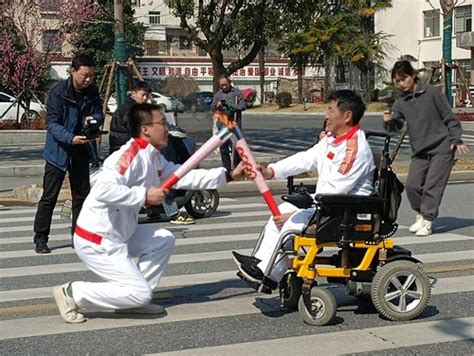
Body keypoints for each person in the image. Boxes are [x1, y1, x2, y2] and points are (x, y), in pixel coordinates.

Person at [52, 103, 246, 324]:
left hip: (120, 234)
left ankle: (133, 301)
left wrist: (228, 176)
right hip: (97, 239)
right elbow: (102, 189)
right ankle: (73, 293)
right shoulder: (128, 156)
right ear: (145, 129)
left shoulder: (153, 156)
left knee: (163, 239)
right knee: (141, 292)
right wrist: (144, 195)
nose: (167, 127)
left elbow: (182, 176)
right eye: (162, 123)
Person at [232, 90, 375, 291]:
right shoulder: (332, 140)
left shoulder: (355, 150)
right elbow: (305, 159)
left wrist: (301, 212)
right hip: (329, 205)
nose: (326, 115)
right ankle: (265, 272)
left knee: (289, 222)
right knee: (282, 212)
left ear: (347, 115)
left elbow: (337, 191)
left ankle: (266, 272)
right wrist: (271, 171)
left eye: (330, 109)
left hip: (346, 211)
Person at [383, 60, 469, 236]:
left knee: (432, 186)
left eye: (403, 79)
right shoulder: (400, 102)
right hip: (420, 151)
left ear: (412, 75)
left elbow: (449, 117)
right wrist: (389, 121)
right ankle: (421, 213)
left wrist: (456, 138)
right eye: (397, 81)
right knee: (412, 186)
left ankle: (428, 219)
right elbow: (396, 127)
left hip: (442, 147)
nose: (401, 83)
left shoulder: (431, 93)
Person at [33, 54, 103, 254]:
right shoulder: (58, 92)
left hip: (82, 149)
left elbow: (98, 111)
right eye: (84, 75)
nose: (88, 79)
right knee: (49, 196)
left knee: (81, 196)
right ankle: (40, 238)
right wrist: (70, 137)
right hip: (58, 151)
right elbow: (52, 124)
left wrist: (94, 120)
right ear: (73, 71)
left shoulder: (92, 91)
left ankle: (79, 238)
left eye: (91, 76)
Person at [210, 75, 246, 171]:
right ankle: (227, 169)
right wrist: (217, 106)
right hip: (223, 126)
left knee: (236, 149)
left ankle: (237, 169)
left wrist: (232, 107)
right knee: (223, 149)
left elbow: (243, 106)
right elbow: (212, 108)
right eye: (222, 85)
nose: (224, 87)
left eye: (225, 85)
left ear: (229, 83)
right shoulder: (218, 95)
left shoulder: (237, 93)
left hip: (234, 125)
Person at [108, 79, 151, 154]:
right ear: (133, 93)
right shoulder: (130, 110)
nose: (145, 98)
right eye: (143, 95)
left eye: (147, 95)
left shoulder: (132, 107)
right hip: (124, 152)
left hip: (125, 150)